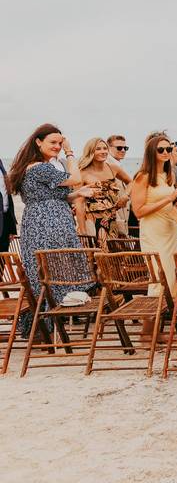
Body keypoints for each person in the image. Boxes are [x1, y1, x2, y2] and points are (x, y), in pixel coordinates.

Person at [8, 124, 95, 336]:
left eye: (59, 142)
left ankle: (44, 327)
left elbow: (53, 197)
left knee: (51, 270)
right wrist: (70, 151)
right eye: (53, 143)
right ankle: (46, 325)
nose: (57, 146)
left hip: (46, 220)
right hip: (47, 225)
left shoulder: (38, 167)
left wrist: (78, 194)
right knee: (50, 270)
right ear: (38, 142)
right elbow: (75, 178)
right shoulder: (39, 167)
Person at [131, 135, 177, 298]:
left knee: (173, 275)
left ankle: (171, 317)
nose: (165, 152)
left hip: (170, 230)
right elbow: (139, 211)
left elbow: (167, 206)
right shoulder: (143, 176)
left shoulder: (168, 175)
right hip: (153, 232)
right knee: (159, 276)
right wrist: (169, 198)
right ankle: (153, 318)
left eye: (169, 149)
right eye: (160, 149)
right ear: (151, 152)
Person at [74, 137, 132, 244]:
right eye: (98, 149)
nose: (103, 151)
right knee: (96, 256)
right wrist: (82, 231)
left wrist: (125, 196)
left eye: (105, 148)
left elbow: (132, 182)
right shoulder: (82, 173)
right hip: (92, 221)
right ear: (91, 151)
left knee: (115, 256)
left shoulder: (113, 168)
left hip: (112, 219)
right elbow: (79, 204)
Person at [0, 155, 16, 253]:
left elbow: (7, 197)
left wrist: (11, 227)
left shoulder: (0, 163)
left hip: (4, 222)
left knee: (1, 263)